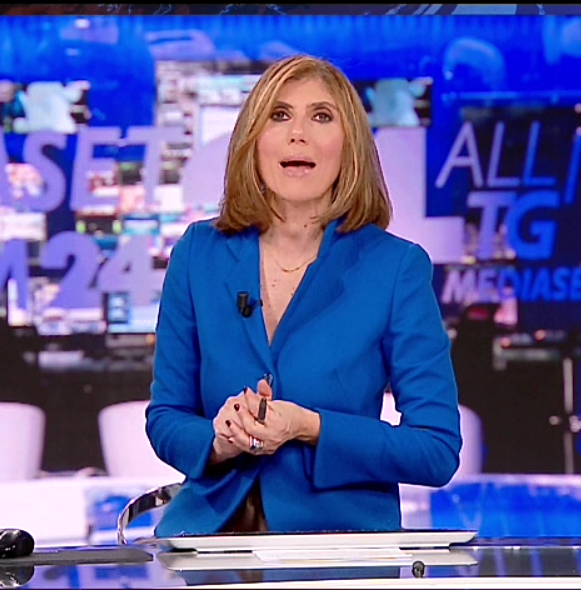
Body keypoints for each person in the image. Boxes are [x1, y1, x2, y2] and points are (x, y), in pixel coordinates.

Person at [146, 55, 463, 537]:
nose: (298, 134)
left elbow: (436, 450)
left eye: (321, 116)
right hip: (212, 542)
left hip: (336, 546)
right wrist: (220, 439)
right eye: (279, 115)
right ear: (254, 139)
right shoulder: (198, 253)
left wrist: (309, 426)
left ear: (349, 145)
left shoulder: (395, 267)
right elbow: (167, 418)